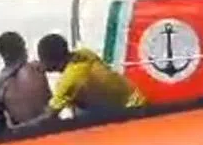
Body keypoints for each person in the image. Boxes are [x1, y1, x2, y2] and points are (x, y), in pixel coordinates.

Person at [18, 33, 147, 128]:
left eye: (43, 59)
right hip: (133, 100)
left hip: (130, 113)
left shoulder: (69, 80)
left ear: (52, 61)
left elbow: (48, 116)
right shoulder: (84, 54)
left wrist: (18, 129)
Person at [0, 31, 53, 134]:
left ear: (1, 54)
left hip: (23, 135)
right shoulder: (39, 68)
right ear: (24, 50)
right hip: (52, 128)